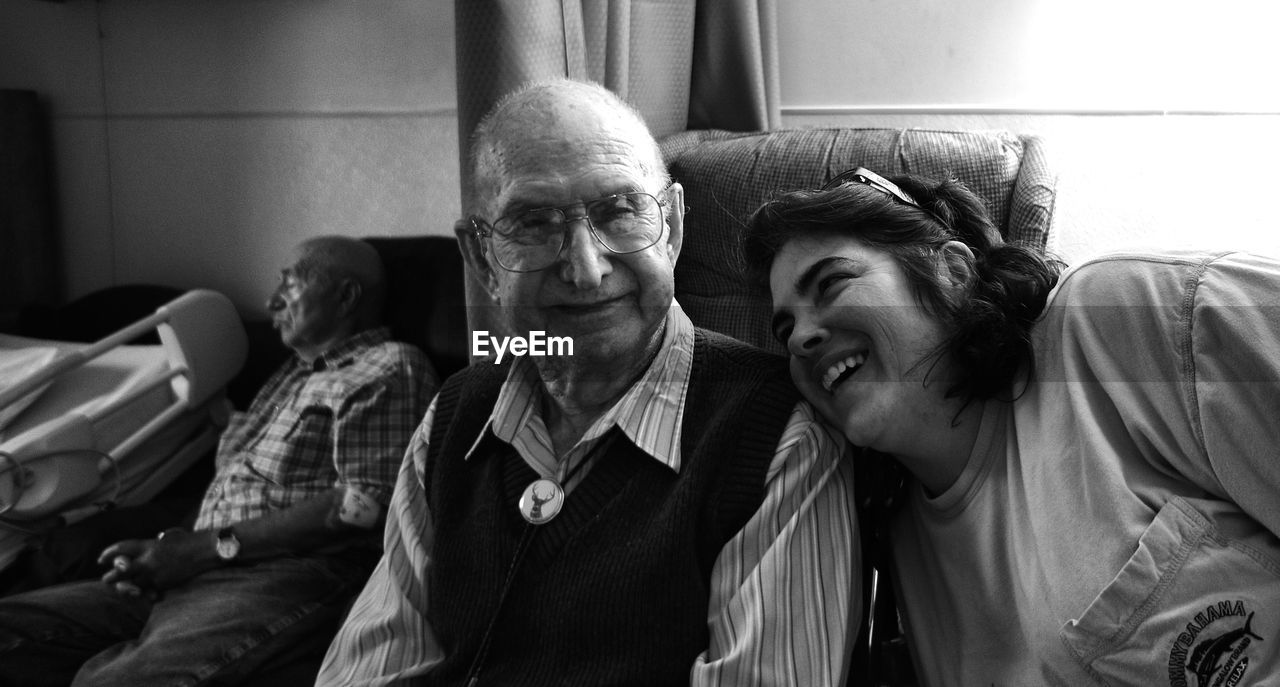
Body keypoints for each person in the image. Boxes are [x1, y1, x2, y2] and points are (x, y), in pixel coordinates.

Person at [318, 79, 859, 687]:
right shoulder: (454, 417)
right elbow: (370, 666)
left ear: (674, 229)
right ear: (480, 260)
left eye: (620, 211)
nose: (585, 267)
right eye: (533, 223)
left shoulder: (776, 441)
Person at [743, 166, 1280, 686]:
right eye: (784, 326)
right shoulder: (890, 554)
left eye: (832, 282)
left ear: (951, 274)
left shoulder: (1127, 314)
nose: (800, 338)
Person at [0, 235, 437, 686]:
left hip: (282, 573)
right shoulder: (288, 378)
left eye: (291, 284)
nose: (272, 301)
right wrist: (165, 548)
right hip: (201, 567)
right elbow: (230, 487)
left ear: (346, 296)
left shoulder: (389, 366)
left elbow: (362, 507)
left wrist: (203, 548)